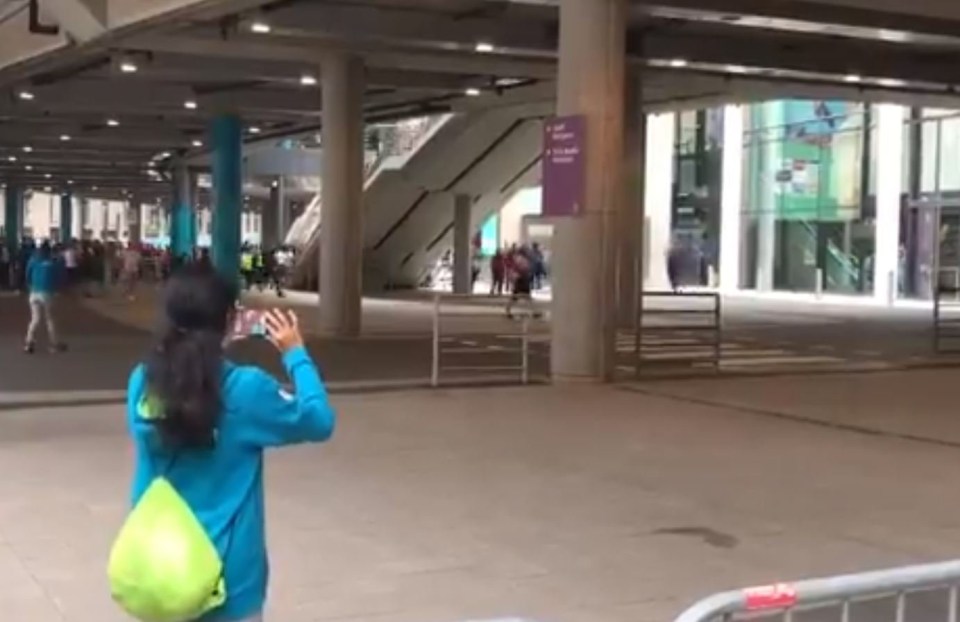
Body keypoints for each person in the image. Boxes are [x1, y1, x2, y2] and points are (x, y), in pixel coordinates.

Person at [126, 265, 335, 622]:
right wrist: (295, 353)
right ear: (229, 319)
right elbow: (318, 420)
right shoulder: (245, 389)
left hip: (156, 571)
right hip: (226, 583)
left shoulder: (143, 381)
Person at [24, 241, 66, 354]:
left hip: (34, 292)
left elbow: (27, 274)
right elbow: (59, 276)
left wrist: (30, 285)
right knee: (49, 318)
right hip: (47, 293)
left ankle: (29, 342)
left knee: (35, 319)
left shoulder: (33, 259)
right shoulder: (53, 261)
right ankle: (54, 344)